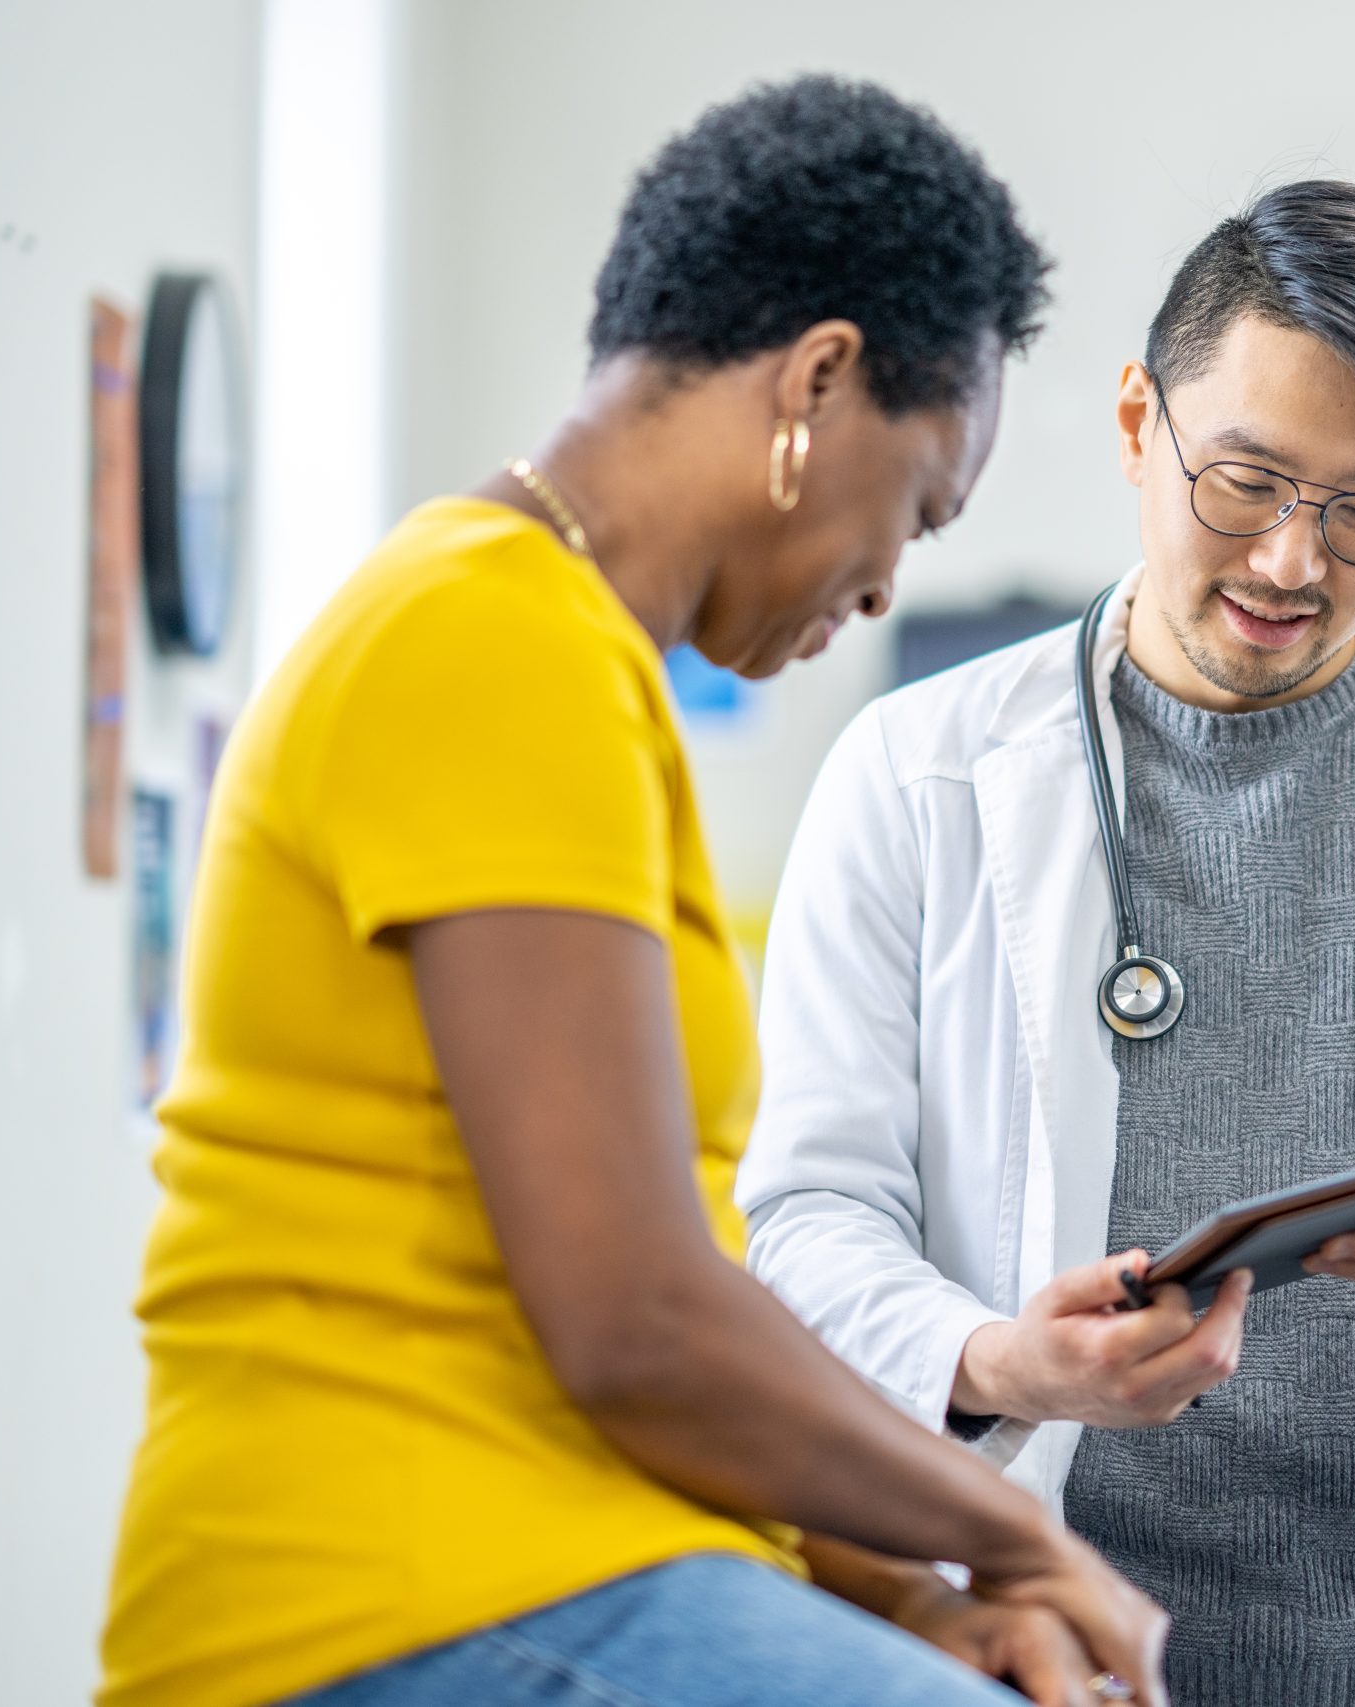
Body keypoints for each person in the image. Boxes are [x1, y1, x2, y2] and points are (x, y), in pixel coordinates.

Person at [99, 77, 1170, 1707]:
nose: (890, 579)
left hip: (577, 1560)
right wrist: (1023, 1546)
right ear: (817, 381)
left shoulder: (572, 665)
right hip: (374, 1596)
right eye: (919, 503)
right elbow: (636, 1323)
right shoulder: (486, 634)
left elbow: (662, 1314)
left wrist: (918, 1596)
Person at [738, 180, 1355, 1706]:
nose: (1291, 562)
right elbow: (806, 1226)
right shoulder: (919, 778)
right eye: (1246, 482)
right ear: (1141, 422)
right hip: (1059, 1645)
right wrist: (998, 1364)